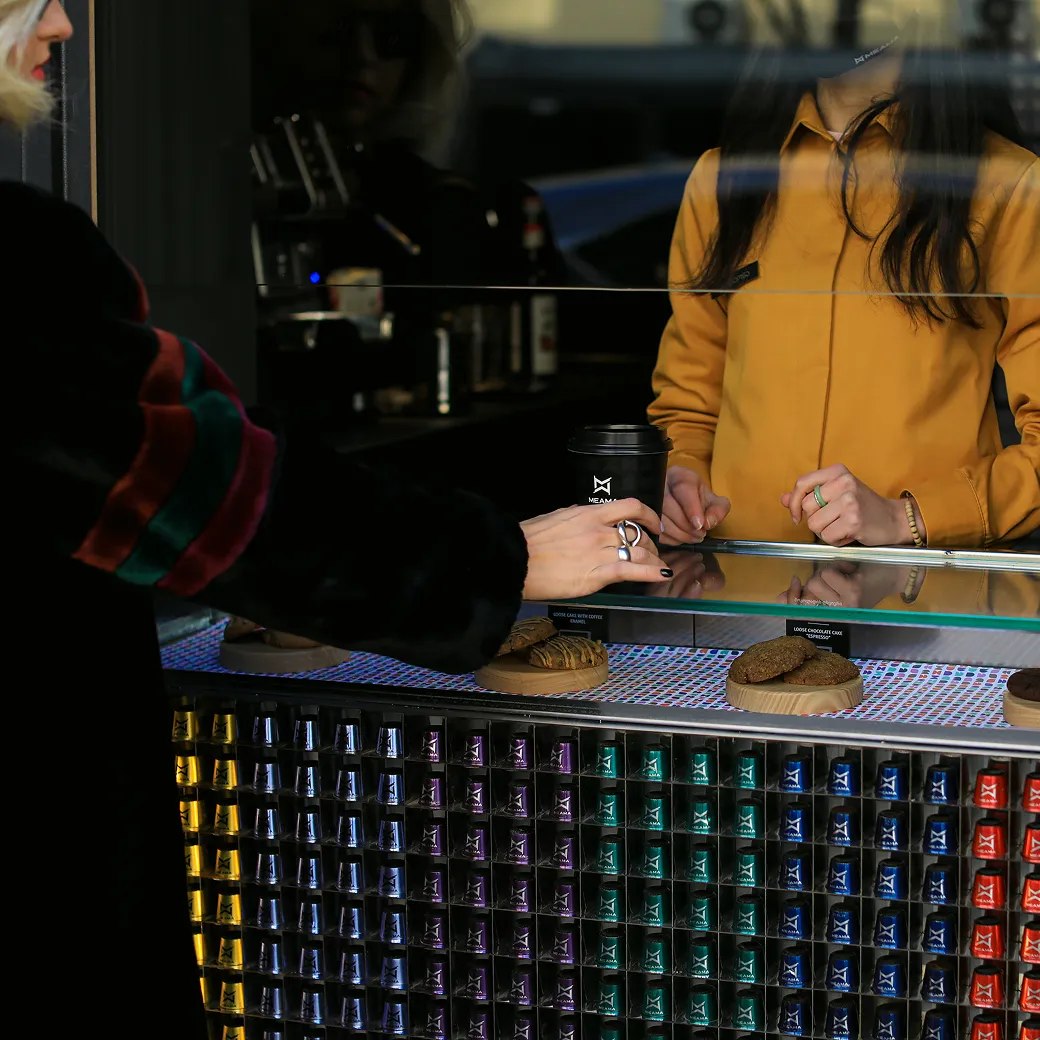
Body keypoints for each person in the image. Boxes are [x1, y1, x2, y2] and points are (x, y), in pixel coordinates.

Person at [3, 1, 670, 1033]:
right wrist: (500, 557)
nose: (60, 21)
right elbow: (207, 492)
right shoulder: (14, 259)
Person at [649, 4, 1039, 549]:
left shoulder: (1007, 185)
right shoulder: (725, 182)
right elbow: (689, 403)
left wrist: (911, 517)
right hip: (738, 588)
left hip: (917, 603)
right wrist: (682, 471)